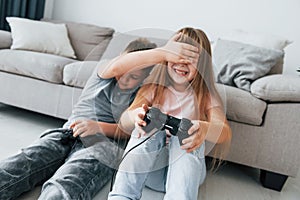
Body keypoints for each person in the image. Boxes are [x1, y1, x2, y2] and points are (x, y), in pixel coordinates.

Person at [0, 37, 197, 199]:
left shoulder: (144, 94)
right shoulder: (103, 74)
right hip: (67, 133)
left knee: (68, 183)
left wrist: (99, 127)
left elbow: (128, 131)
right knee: (24, 162)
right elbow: (117, 67)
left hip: (104, 145)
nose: (125, 79)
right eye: (124, 71)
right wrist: (163, 52)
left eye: (134, 77)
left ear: (145, 77)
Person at [108, 27, 232, 200]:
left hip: (188, 175)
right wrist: (136, 115)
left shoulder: (206, 97)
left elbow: (223, 131)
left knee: (185, 131)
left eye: (190, 59)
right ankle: (121, 196)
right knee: (148, 123)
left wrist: (203, 129)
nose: (182, 63)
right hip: (151, 170)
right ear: (166, 57)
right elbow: (124, 121)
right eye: (177, 56)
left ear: (202, 65)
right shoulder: (153, 89)